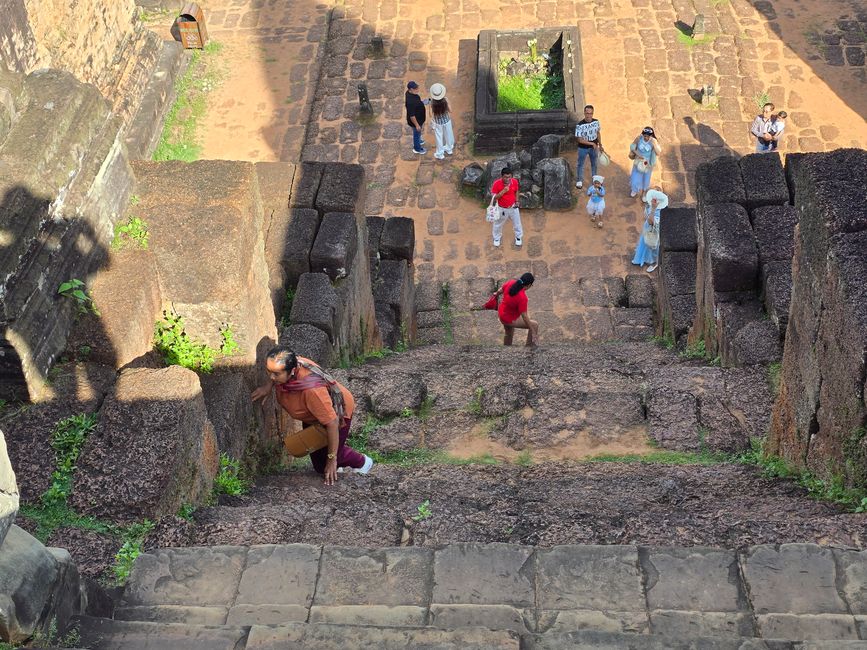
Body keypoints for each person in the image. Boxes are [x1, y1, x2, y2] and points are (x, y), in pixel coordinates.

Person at [251, 346, 373, 485]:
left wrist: (332, 460)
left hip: (336, 414)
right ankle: (337, 456)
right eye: (269, 372)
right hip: (312, 414)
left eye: (276, 375)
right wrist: (268, 387)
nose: (271, 377)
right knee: (318, 463)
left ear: (292, 371)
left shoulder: (312, 391)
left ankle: (363, 462)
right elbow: (275, 372)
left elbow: (332, 423)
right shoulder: (290, 365)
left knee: (326, 463)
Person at [494, 272, 538, 347]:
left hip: (501, 313)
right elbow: (524, 316)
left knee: (509, 333)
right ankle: (529, 349)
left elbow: (499, 291)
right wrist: (533, 332)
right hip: (508, 318)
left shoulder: (511, 282)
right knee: (534, 325)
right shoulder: (522, 298)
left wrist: (496, 294)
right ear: (529, 285)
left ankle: (506, 349)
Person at [631, 188, 668, 273]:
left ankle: (655, 262)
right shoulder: (649, 206)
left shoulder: (657, 211)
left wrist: (653, 210)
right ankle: (644, 257)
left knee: (653, 247)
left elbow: (651, 222)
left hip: (655, 231)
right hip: (648, 228)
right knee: (646, 243)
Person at [490, 168, 523, 248]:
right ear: (502, 176)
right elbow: (494, 198)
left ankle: (518, 237)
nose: (508, 179)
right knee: (498, 224)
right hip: (502, 208)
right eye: (505, 177)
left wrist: (517, 201)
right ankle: (497, 238)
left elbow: (516, 191)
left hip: (513, 207)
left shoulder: (514, 181)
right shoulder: (496, 184)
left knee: (517, 223)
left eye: (509, 177)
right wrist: (503, 191)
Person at [574, 104, 604, 189]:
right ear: (584, 113)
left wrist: (600, 145)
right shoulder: (579, 125)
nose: (589, 115)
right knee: (581, 164)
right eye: (587, 113)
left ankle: (595, 179)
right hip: (583, 148)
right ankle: (579, 180)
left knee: (594, 163)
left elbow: (598, 133)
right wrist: (592, 144)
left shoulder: (596, 122)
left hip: (593, 148)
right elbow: (579, 140)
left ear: (593, 113)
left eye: (590, 113)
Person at [628, 127, 661, 200]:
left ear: (651, 135)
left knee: (646, 178)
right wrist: (638, 154)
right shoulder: (639, 138)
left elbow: (658, 152)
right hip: (638, 161)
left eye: (648, 136)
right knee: (635, 176)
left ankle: (644, 193)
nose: (646, 137)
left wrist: (654, 145)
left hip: (647, 163)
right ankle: (634, 189)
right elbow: (632, 147)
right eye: (645, 136)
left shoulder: (653, 141)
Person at [429, 83, 454, 160]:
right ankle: (449, 149)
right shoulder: (445, 100)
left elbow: (430, 114)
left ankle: (440, 154)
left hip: (438, 123)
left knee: (439, 138)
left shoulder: (432, 102)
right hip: (446, 121)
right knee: (448, 135)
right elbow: (451, 111)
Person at [405, 81, 428, 155]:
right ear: (411, 89)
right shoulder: (410, 102)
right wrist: (417, 125)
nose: (417, 89)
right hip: (416, 121)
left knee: (418, 133)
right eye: (415, 89)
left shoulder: (409, 93)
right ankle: (417, 148)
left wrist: (422, 103)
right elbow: (412, 116)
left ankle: (419, 141)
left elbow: (417, 103)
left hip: (419, 118)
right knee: (416, 134)